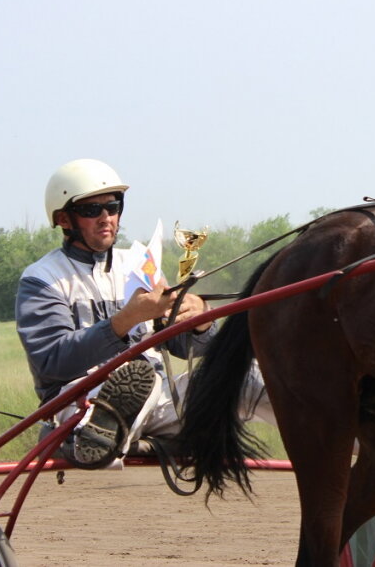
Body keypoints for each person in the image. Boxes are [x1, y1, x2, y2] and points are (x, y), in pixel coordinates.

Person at [16, 158, 273, 468]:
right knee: (141, 383)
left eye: (113, 206)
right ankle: (82, 438)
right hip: (79, 402)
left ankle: (345, 433)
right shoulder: (42, 279)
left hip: (162, 402)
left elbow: (184, 347)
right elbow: (51, 361)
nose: (106, 217)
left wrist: (200, 323)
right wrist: (127, 319)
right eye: (90, 210)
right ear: (64, 219)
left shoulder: (139, 264)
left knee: (248, 375)